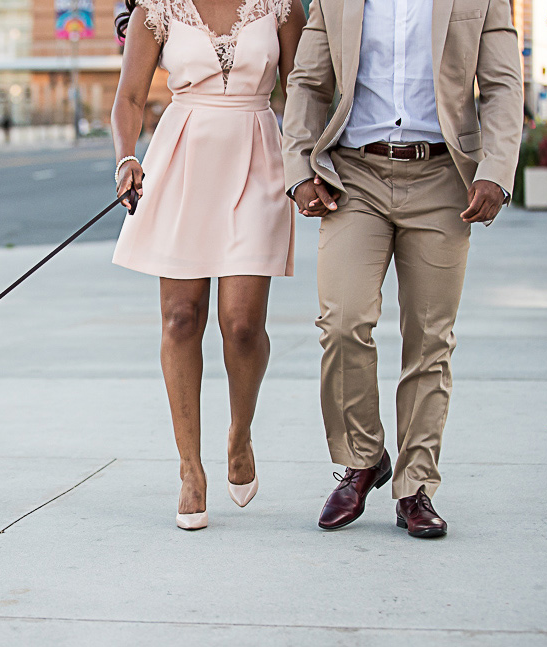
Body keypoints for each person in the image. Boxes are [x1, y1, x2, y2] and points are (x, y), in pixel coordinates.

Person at [282, 0, 523, 538]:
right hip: (355, 176)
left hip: (443, 177)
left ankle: (415, 487)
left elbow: (503, 85)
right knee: (342, 321)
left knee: (429, 337)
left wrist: (496, 170)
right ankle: (363, 459)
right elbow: (308, 84)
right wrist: (298, 168)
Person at [112, 0, 306, 530]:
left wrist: (309, 162)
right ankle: (190, 470)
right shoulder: (159, 8)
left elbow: (303, 91)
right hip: (182, 158)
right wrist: (127, 156)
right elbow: (128, 97)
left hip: (260, 158)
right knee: (181, 317)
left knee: (242, 324)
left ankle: (239, 436)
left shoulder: (281, 6)